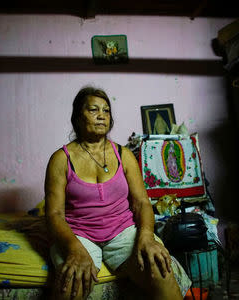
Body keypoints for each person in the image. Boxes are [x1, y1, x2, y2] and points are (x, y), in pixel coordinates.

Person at [44, 86, 183, 300]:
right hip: (79, 234)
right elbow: (54, 214)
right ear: (77, 116)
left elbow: (142, 203)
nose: (101, 116)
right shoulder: (60, 159)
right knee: (71, 284)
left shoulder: (124, 155)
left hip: (123, 231)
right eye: (93, 110)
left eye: (106, 111)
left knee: (161, 272)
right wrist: (74, 248)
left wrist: (146, 237)